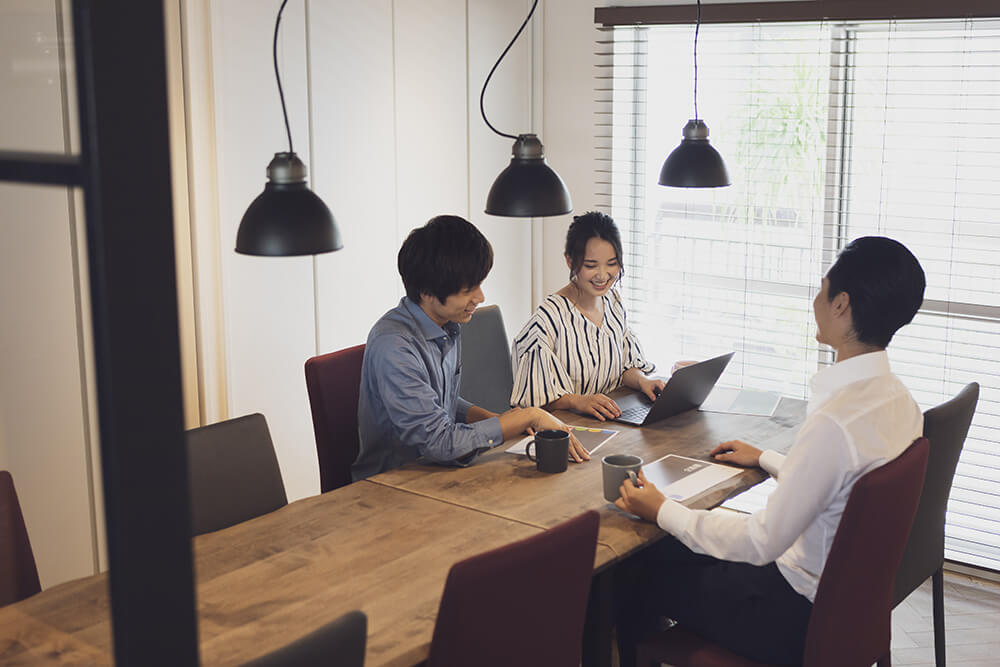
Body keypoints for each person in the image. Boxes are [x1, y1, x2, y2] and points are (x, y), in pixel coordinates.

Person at [613, 236, 926, 666]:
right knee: (667, 547)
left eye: (822, 288)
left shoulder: (835, 423)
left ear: (841, 304)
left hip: (787, 616)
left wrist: (662, 508)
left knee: (630, 569)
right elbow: (843, 484)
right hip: (837, 605)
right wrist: (767, 459)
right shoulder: (900, 402)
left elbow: (762, 542)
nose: (816, 299)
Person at [352, 215, 589, 481]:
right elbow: (439, 442)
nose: (480, 297)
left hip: (438, 473)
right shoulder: (394, 345)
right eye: (468, 290)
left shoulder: (446, 324)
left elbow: (442, 402)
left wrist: (503, 421)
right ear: (428, 291)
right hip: (392, 485)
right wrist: (527, 417)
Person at [510, 211, 666, 421]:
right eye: (591, 265)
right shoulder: (548, 320)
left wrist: (642, 381)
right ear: (569, 261)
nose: (602, 275)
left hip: (609, 422)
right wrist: (578, 400)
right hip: (564, 431)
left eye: (611, 263)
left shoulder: (613, 303)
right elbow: (534, 401)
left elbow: (623, 368)